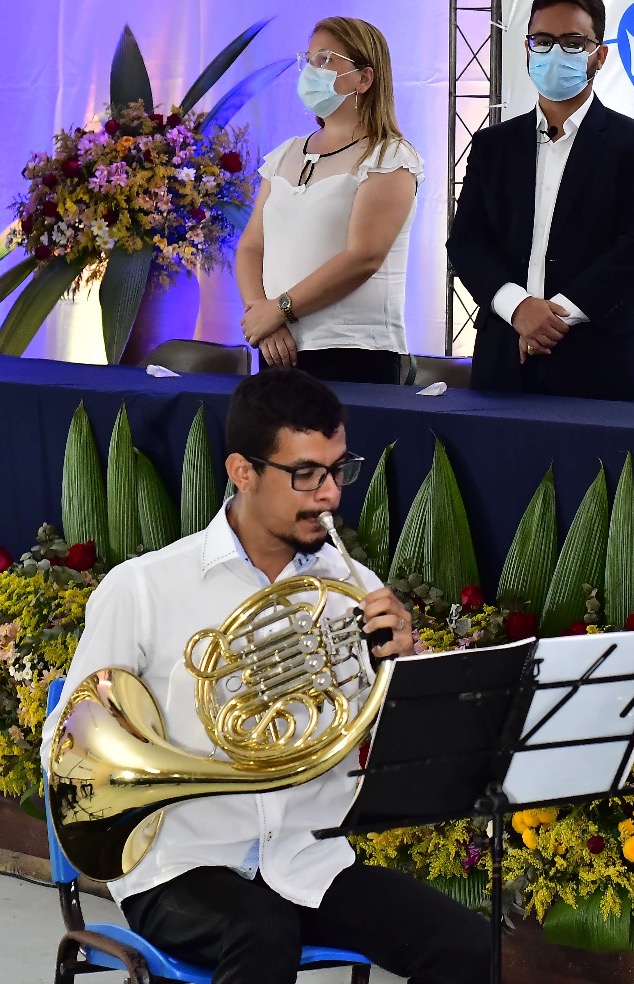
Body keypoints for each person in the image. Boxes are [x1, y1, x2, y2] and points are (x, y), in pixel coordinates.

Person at [40, 369, 488, 983]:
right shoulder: (145, 588)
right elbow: (66, 749)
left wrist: (402, 670)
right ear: (242, 471)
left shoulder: (354, 590)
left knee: (468, 945)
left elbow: (389, 749)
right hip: (181, 867)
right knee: (261, 931)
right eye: (305, 474)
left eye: (337, 471)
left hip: (309, 863)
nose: (329, 494)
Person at [448, 0, 634, 400]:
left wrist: (551, 319)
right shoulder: (492, 145)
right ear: (527, 48)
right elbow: (466, 243)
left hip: (605, 363)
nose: (555, 53)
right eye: (543, 41)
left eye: (573, 42)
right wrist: (518, 308)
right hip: (503, 360)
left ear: (599, 55)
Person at [237, 17, 423, 385]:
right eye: (308, 60)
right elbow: (250, 247)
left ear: (364, 79)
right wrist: (262, 315)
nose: (310, 71)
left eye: (324, 60)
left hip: (353, 353)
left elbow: (364, 256)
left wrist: (281, 309)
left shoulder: (389, 157)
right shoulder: (284, 155)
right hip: (278, 348)